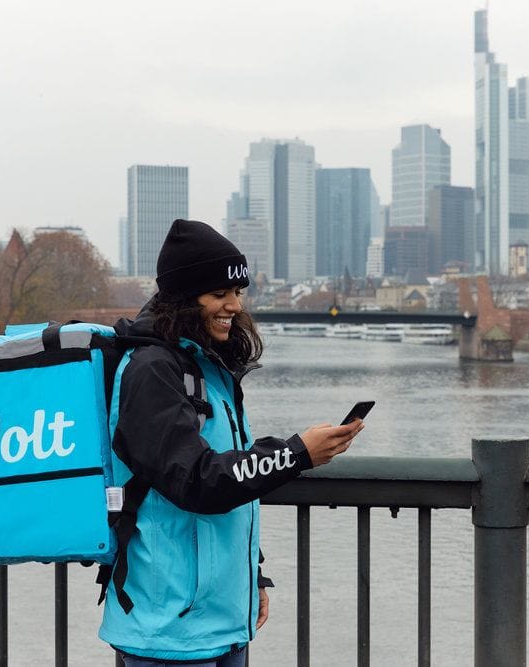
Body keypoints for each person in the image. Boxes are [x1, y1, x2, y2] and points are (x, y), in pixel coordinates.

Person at [99, 219, 363, 666]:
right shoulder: (151, 370)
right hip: (168, 634)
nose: (234, 306)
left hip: (221, 626)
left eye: (238, 293)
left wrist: (252, 576)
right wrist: (297, 454)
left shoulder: (211, 369)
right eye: (219, 294)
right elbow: (197, 480)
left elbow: (229, 473)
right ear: (184, 296)